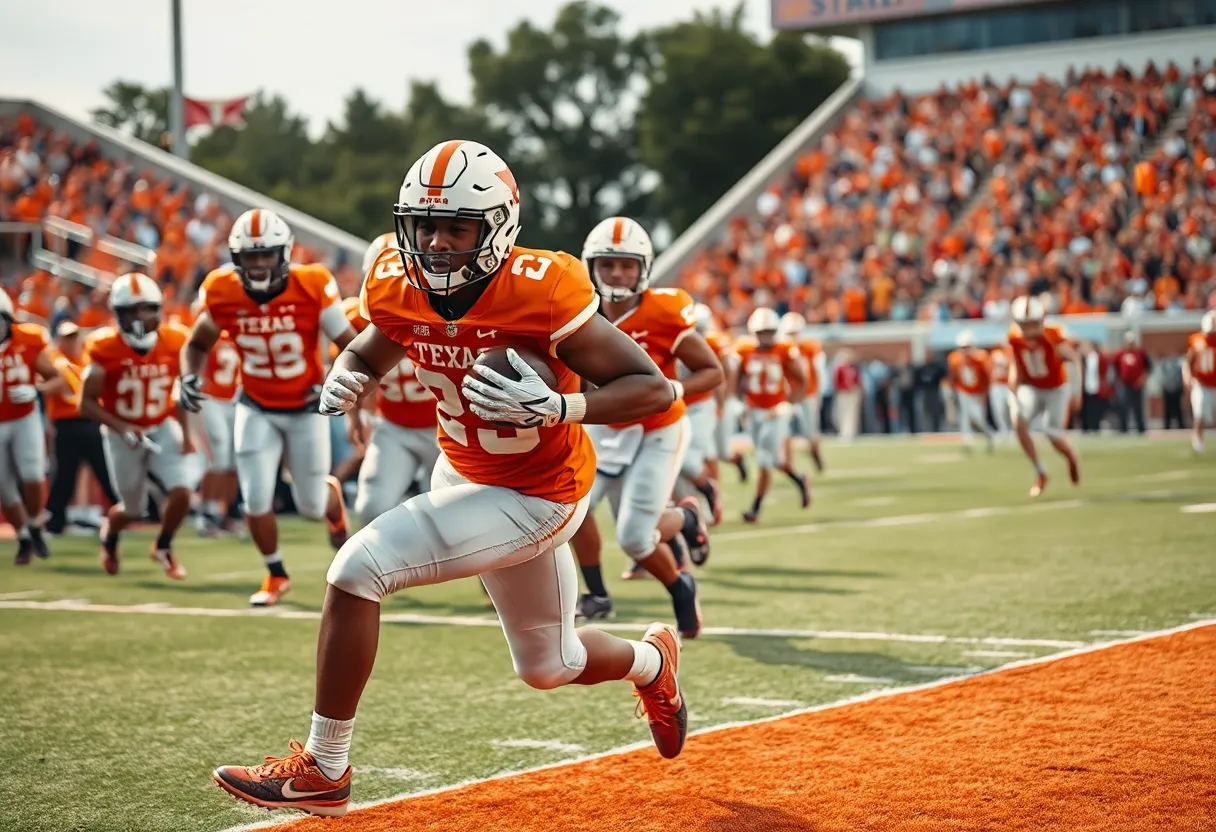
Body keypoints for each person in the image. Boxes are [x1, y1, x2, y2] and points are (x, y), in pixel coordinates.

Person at [212, 140, 690, 818]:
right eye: (423, 225)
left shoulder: (543, 288)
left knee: (357, 568)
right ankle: (652, 663)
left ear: (497, 227)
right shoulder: (396, 281)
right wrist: (350, 372)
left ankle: (325, 768)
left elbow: (653, 388)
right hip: (461, 468)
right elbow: (378, 341)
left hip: (537, 493)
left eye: (455, 227)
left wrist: (562, 406)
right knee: (548, 664)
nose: (435, 243)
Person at [179, 209, 358, 607]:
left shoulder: (311, 284)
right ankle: (276, 573)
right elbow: (196, 344)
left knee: (311, 506)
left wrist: (334, 381)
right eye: (249, 257)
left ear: (285, 254)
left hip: (304, 406)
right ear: (235, 258)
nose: (258, 264)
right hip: (255, 405)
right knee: (255, 498)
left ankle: (332, 505)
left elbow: (349, 343)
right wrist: (189, 376)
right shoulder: (223, 289)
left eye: (266, 255)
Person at [569, 216, 721, 636]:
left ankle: (680, 582)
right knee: (570, 509)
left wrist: (671, 389)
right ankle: (597, 592)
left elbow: (712, 371)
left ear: (644, 268)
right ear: (592, 267)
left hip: (657, 428)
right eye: (609, 265)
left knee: (636, 538)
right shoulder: (578, 312)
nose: (618, 274)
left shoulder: (662, 312)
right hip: (603, 426)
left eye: (627, 265)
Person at [78, 273, 192, 578]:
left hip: (160, 424)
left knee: (182, 491)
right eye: (131, 311)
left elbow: (181, 393)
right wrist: (121, 427)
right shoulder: (104, 347)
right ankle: (110, 536)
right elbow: (85, 402)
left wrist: (187, 435)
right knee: (132, 509)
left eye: (146, 309)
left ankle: (164, 545)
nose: (140, 318)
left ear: (158, 309)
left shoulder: (175, 340)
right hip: (120, 432)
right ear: (118, 314)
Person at [348, 234, 439, 525]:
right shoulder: (355, 318)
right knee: (371, 508)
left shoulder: (443, 313)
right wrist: (357, 417)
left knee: (450, 516)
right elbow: (360, 372)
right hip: (394, 425)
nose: (391, 289)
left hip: (444, 426)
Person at [0, 291, 63, 564]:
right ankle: (24, 536)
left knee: (33, 474)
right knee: (3, 485)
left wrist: (35, 390)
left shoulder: (28, 339)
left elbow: (58, 379)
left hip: (24, 417)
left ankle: (35, 524)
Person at [729, 308, 808, 522]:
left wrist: (791, 403)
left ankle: (755, 508)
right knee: (771, 458)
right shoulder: (744, 349)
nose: (765, 336)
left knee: (764, 458)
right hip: (754, 409)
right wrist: (737, 401)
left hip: (776, 409)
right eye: (761, 332)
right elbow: (736, 377)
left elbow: (801, 378)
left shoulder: (784, 349)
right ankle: (799, 480)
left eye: (769, 332)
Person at [43, 320, 119, 536]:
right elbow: (57, 383)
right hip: (67, 423)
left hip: (90, 421)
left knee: (105, 470)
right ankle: (56, 520)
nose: (72, 341)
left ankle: (122, 512)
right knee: (65, 474)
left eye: (74, 337)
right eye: (68, 338)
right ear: (60, 340)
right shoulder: (56, 360)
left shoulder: (84, 359)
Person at [1006, 296, 1081, 497]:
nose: (1028, 330)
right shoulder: (1014, 337)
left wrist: (1076, 392)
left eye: (1032, 324)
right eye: (1024, 324)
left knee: (1052, 433)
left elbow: (1074, 359)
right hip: (1032, 387)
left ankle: (1071, 456)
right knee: (1017, 421)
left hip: (1057, 388)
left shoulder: (1053, 334)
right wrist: (1013, 388)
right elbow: (1015, 365)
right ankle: (1040, 472)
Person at [778, 312, 826, 472]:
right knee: (786, 433)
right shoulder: (781, 349)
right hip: (788, 396)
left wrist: (818, 393)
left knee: (810, 433)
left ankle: (815, 453)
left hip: (807, 394)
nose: (792, 336)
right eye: (789, 333)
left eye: (795, 333)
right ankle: (789, 466)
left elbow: (818, 371)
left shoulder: (810, 347)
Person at [946, 331, 994, 452]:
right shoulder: (954, 358)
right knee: (965, 416)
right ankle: (967, 441)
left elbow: (988, 377)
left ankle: (988, 434)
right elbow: (953, 376)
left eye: (967, 347)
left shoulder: (981, 358)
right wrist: (952, 389)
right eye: (962, 347)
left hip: (978, 391)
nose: (965, 350)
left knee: (978, 418)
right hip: (964, 390)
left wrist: (985, 393)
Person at [1184, 310, 1216, 453]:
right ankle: (1198, 441)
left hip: (1214, 383)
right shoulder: (1196, 339)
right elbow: (1189, 361)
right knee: (1200, 415)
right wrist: (1188, 379)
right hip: (1201, 383)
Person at [1113, 331, 1151, 435]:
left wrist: (1141, 380)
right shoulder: (1120, 354)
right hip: (1125, 385)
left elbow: (1148, 368)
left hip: (1137, 385)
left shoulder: (1140, 353)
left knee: (1138, 407)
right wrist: (1119, 380)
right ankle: (1123, 428)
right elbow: (1115, 368)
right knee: (1123, 407)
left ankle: (1141, 428)